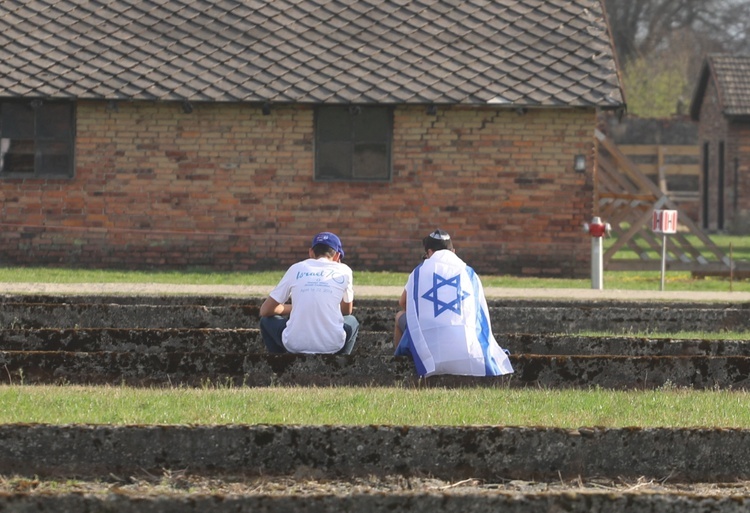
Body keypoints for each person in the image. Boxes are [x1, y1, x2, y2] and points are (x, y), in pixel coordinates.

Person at [393, 229, 513, 377]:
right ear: (453, 251)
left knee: (400, 316)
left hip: (430, 347)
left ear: (429, 252)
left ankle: (398, 365)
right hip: (468, 349)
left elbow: (403, 302)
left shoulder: (419, 272)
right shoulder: (469, 273)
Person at [259, 231, 359, 354]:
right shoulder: (345, 270)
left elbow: (265, 310)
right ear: (338, 256)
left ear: (311, 252)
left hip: (293, 344)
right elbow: (346, 311)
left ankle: (279, 365)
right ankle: (341, 364)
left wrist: (296, 307)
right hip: (332, 345)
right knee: (352, 321)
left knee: (266, 321)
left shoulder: (296, 268)